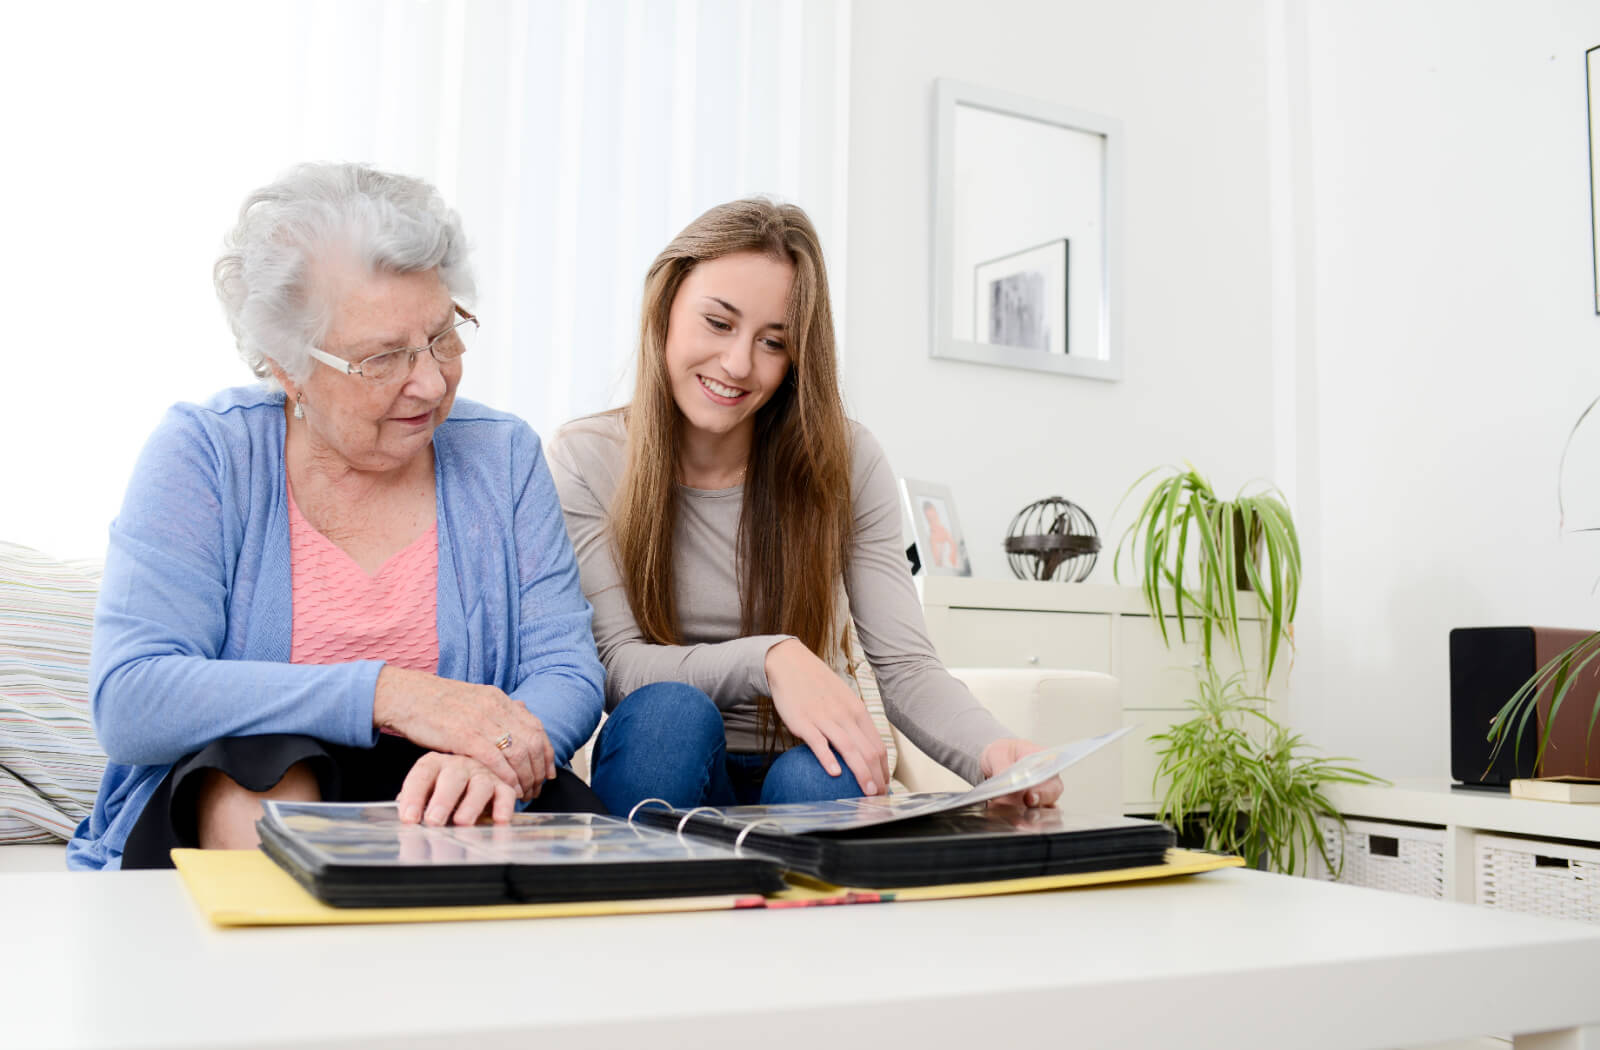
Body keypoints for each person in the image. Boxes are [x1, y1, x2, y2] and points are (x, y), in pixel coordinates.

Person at [67, 163, 606, 872]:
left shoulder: (502, 455)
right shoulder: (206, 452)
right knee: (253, 767)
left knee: (553, 830)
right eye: (384, 357)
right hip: (259, 800)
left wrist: (499, 757)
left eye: (444, 336)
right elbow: (133, 698)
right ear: (285, 365)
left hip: (449, 792)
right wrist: (390, 693)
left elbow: (564, 665)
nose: (432, 379)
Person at [548, 197, 1062, 815]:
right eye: (718, 323)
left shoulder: (846, 459)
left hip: (800, 761)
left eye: (773, 342)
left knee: (832, 770)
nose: (739, 364)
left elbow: (904, 665)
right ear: (665, 309)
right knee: (667, 717)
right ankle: (644, 906)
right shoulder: (587, 458)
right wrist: (771, 659)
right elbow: (616, 668)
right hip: (665, 755)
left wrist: (994, 752)